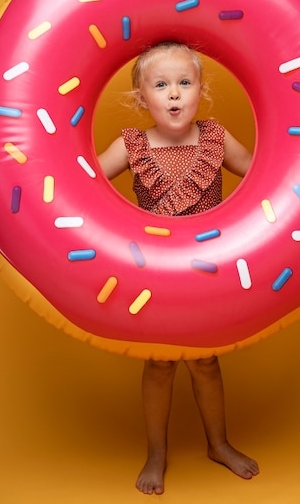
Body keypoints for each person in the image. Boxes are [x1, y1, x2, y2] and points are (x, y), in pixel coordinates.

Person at [98, 41, 259, 495]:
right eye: (162, 85)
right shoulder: (132, 144)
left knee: (206, 362)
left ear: (200, 91)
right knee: (160, 363)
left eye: (184, 84)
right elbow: (83, 185)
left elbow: (259, 173)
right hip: (154, 275)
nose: (174, 94)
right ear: (141, 99)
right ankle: (156, 453)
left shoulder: (215, 138)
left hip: (206, 272)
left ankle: (218, 444)